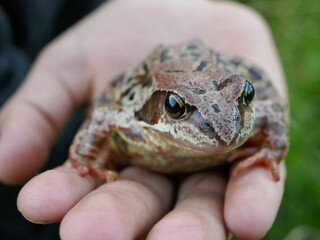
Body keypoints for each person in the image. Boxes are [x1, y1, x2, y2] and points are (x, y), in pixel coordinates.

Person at [0, 0, 287, 239]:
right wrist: (85, 158)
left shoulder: (247, 115)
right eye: (177, 108)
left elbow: (271, 108)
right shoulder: (133, 125)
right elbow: (105, 114)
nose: (228, 129)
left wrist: (273, 148)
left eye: (244, 97)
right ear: (165, 107)